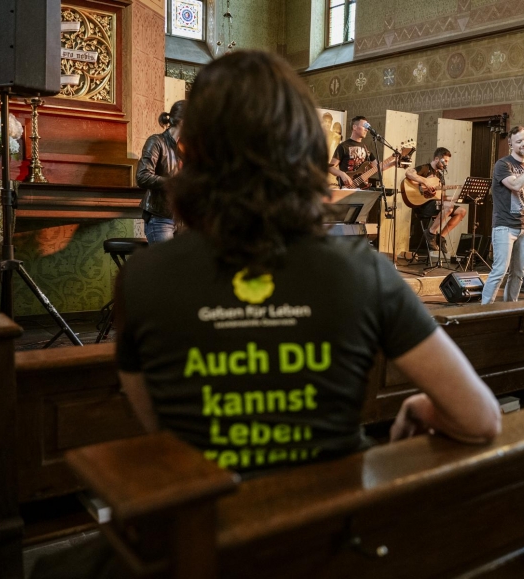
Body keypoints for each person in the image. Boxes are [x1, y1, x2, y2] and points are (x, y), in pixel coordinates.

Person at [114, 51, 501, 477]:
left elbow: (159, 425)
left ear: (192, 148)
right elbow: (479, 419)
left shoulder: (143, 278)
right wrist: (421, 403)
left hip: (204, 528)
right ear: (306, 146)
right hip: (333, 527)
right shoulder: (364, 271)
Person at [480, 126, 524, 304]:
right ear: (511, 144)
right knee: (500, 270)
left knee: (518, 272)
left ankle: (510, 309)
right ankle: (483, 311)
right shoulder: (503, 164)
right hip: (505, 226)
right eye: (519, 141)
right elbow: (516, 185)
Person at [137, 100, 184, 243]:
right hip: (160, 218)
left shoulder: (186, 146)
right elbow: (142, 176)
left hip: (182, 219)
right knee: (168, 265)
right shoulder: (156, 142)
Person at [404, 147, 467, 253]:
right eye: (445, 161)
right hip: (422, 205)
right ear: (437, 159)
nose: (446, 164)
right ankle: (431, 233)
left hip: (436, 204)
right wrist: (425, 182)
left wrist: (458, 197)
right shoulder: (425, 168)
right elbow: (409, 173)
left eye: (448, 161)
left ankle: (440, 237)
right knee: (449, 207)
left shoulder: (440, 177)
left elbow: (442, 198)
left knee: (462, 211)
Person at [328, 115, 377, 188]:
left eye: (367, 127)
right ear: (354, 127)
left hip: (363, 188)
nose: (366, 129)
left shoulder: (366, 147)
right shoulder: (343, 146)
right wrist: (342, 174)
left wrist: (393, 161)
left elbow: (377, 167)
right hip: (347, 187)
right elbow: (330, 167)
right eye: (364, 126)